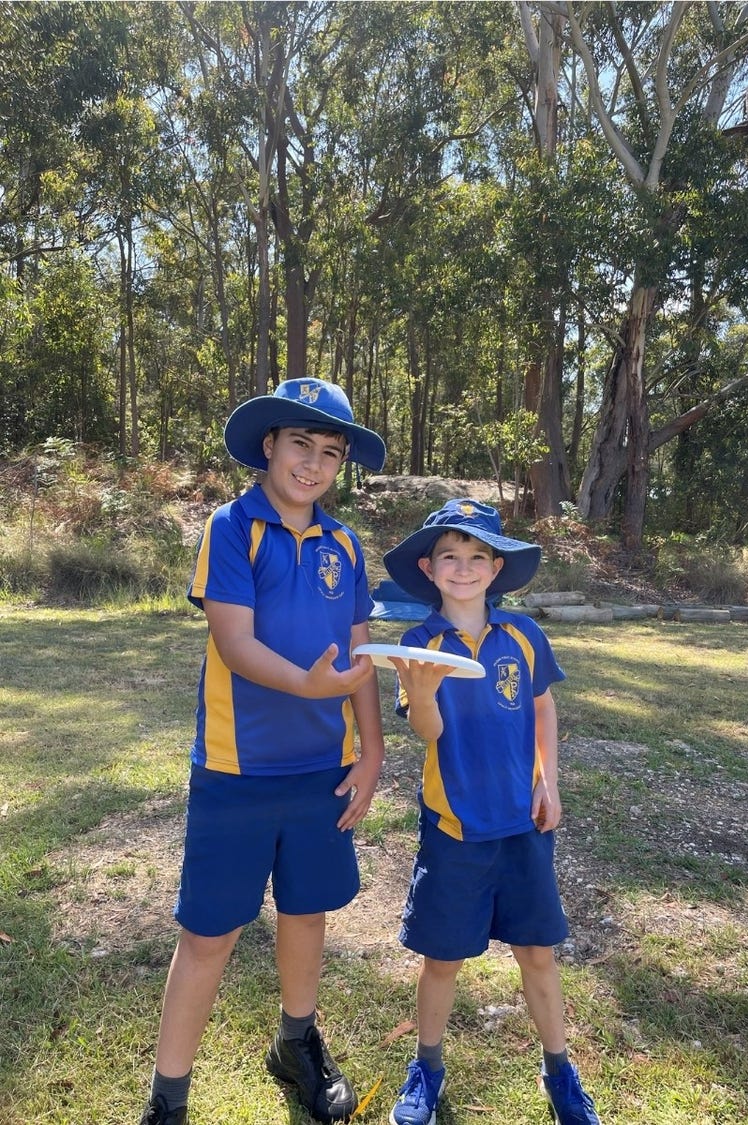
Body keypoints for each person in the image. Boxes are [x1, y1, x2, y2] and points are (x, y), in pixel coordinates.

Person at [139, 378, 387, 1125]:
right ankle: (168, 1098)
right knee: (209, 933)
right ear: (269, 446)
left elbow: (360, 655)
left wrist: (372, 750)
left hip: (322, 773)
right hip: (235, 772)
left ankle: (295, 1043)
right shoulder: (231, 526)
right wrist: (313, 688)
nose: (312, 464)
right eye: (300, 445)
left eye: (330, 453)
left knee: (306, 913)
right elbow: (235, 642)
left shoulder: (345, 544)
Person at [382, 499, 601, 1125]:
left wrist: (547, 783)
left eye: (478, 556)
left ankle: (560, 1071)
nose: (464, 567)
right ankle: (426, 1065)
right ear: (428, 567)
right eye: (450, 556)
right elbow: (427, 730)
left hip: (522, 826)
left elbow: (542, 711)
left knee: (537, 953)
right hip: (455, 828)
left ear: (496, 566)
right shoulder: (419, 642)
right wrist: (421, 693)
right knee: (443, 959)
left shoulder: (524, 636)